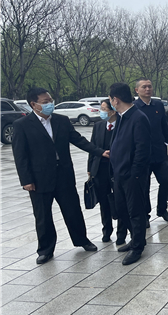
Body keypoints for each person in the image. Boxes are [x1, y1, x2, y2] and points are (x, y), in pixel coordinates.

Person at [12, 87, 108, 264]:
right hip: (39, 179)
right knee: (43, 216)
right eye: (45, 102)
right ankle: (45, 250)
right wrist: (26, 180)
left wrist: (100, 152)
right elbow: (20, 155)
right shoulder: (22, 125)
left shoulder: (61, 121)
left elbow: (79, 140)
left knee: (73, 211)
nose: (50, 103)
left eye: (50, 100)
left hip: (64, 175)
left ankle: (82, 240)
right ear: (34, 104)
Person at [109, 83, 152, 265]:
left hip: (132, 176)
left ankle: (138, 247)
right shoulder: (121, 117)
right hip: (119, 174)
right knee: (122, 210)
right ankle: (135, 239)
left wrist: (135, 174)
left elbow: (142, 150)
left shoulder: (138, 118)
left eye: (110, 99)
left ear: (115, 99)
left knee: (135, 212)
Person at [133, 79, 168, 225]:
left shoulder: (158, 105)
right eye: (144, 87)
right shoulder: (134, 107)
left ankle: (162, 209)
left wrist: (167, 142)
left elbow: (164, 126)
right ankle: (145, 214)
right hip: (143, 154)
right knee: (144, 186)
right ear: (137, 90)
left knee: (166, 180)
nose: (147, 89)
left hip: (159, 152)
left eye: (149, 86)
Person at [87, 100, 128, 245]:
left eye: (104, 109)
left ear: (113, 111)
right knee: (103, 201)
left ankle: (121, 233)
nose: (101, 111)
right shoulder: (98, 126)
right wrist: (90, 168)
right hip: (100, 169)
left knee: (120, 200)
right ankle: (106, 230)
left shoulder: (123, 124)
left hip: (117, 168)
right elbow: (92, 147)